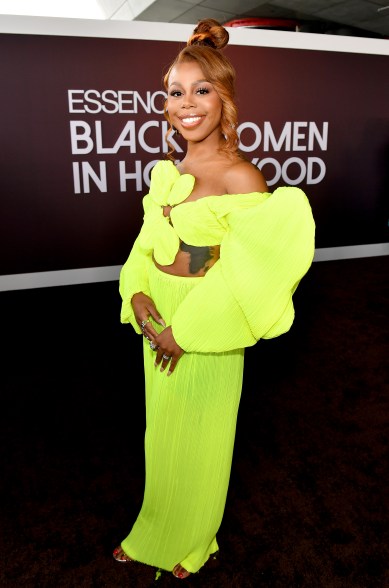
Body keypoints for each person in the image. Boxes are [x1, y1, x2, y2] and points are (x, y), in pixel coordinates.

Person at [113, 18, 315, 580]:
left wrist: (188, 331)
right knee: (163, 434)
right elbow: (146, 245)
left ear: (224, 97)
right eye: (176, 92)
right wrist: (140, 296)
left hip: (208, 324)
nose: (187, 104)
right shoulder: (170, 171)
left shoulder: (242, 177)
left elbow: (247, 275)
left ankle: (193, 541)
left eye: (201, 90)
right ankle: (154, 528)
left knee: (202, 438)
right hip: (161, 314)